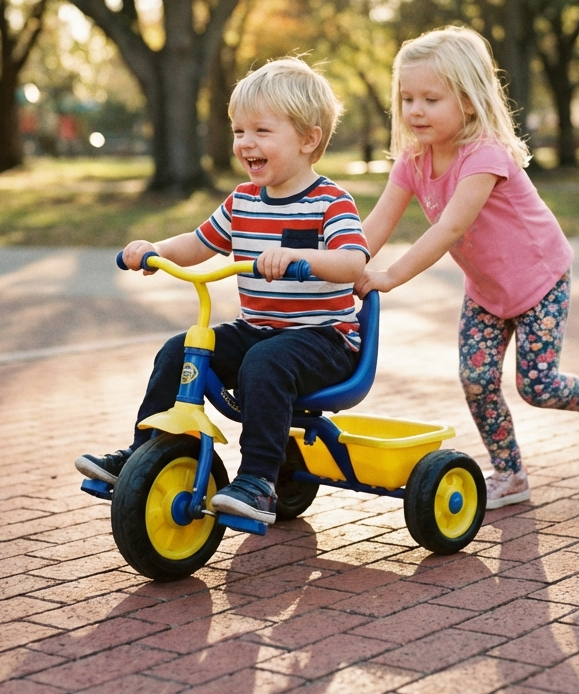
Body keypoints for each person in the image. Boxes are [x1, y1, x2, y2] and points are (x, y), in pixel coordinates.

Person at [76, 59, 369, 524]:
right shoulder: (242, 201)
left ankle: (258, 480)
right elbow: (198, 243)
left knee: (265, 361)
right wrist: (155, 250)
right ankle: (144, 452)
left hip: (324, 339)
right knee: (181, 350)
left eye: (261, 131)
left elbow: (354, 262)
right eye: (238, 131)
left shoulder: (329, 202)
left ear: (308, 140)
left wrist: (299, 258)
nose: (246, 143)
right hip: (260, 331)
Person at [355, 27, 579, 509]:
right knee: (477, 380)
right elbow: (374, 227)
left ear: (467, 101)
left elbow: (449, 228)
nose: (415, 110)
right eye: (407, 98)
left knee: (537, 385)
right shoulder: (413, 160)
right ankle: (510, 473)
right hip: (487, 291)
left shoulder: (483, 155)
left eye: (431, 99)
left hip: (541, 281)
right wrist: (339, 263)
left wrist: (390, 277)